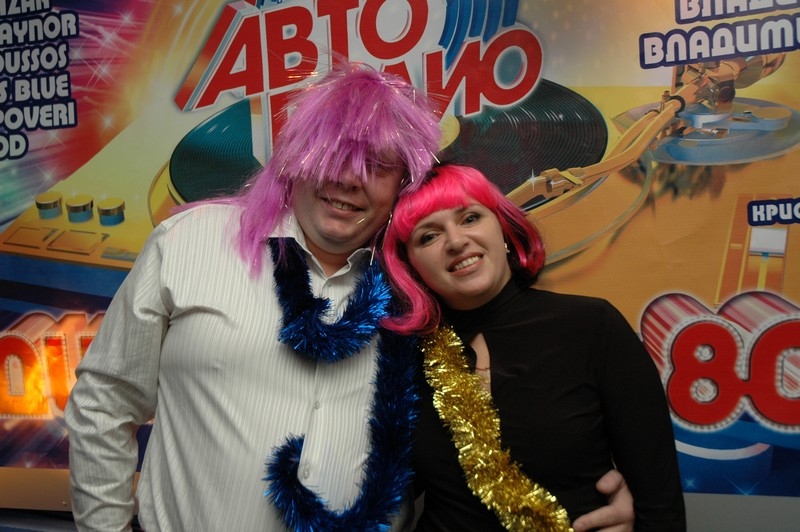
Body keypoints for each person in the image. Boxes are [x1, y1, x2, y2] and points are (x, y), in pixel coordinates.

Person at [65, 63, 636, 531]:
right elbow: (103, 402)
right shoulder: (188, 242)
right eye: (332, 155)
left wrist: (591, 496)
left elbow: (502, 416)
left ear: (404, 184)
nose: (348, 180)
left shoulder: (424, 286)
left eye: (378, 166)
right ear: (295, 157)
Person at [380, 164, 686, 530]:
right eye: (428, 236)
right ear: (410, 266)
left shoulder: (591, 327)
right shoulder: (403, 358)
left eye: (470, 218)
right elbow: (377, 496)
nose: (456, 241)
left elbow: (660, 508)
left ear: (503, 228)